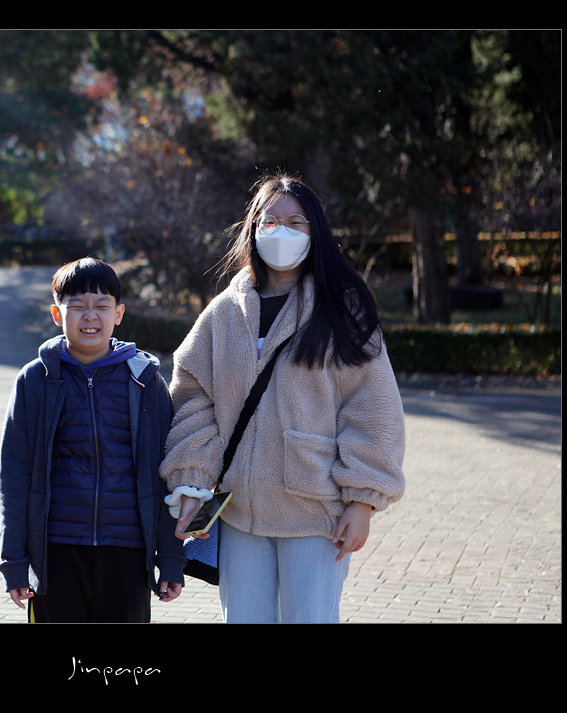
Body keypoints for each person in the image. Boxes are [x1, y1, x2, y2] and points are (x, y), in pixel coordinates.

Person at [159, 173, 406, 623]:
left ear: (316, 232)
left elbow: (373, 408)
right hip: (238, 513)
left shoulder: (341, 309)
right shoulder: (223, 313)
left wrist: (362, 500)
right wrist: (191, 480)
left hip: (315, 513)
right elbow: (193, 397)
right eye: (270, 221)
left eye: (296, 222)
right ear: (253, 229)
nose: (282, 231)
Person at [0, 257, 186, 622]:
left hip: (128, 551)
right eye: (77, 306)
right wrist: (15, 562)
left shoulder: (144, 381)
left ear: (119, 314)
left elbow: (167, 471)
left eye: (101, 306)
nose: (90, 316)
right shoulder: (35, 381)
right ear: (57, 315)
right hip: (55, 551)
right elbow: (14, 475)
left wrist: (171, 558)